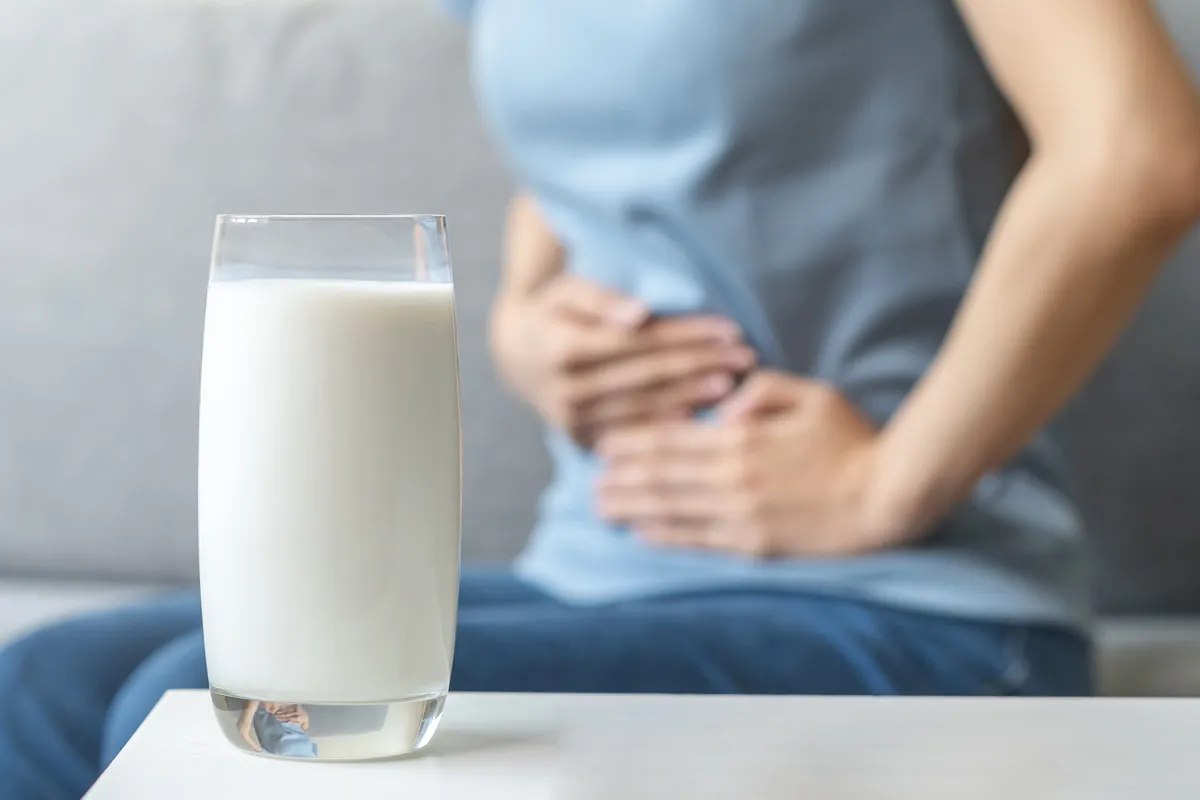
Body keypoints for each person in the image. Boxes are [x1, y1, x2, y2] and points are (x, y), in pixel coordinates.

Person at [4, 1, 1200, 797]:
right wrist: (526, 320)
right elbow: (586, 147)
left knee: (199, 710)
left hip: (904, 599)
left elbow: (1136, 151)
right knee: (43, 686)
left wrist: (886, 483)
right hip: (596, 560)